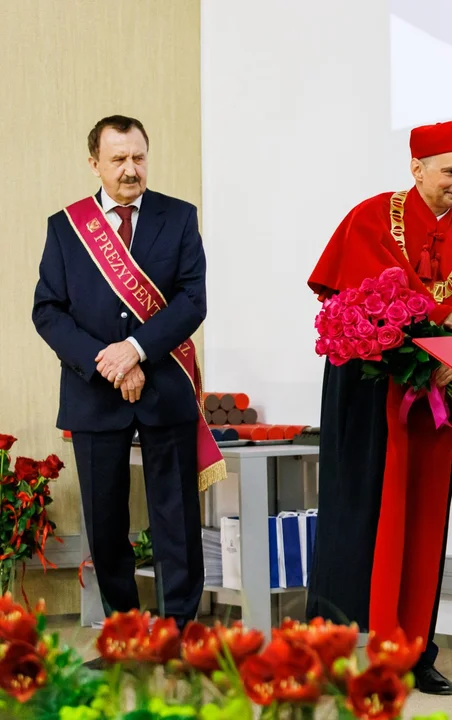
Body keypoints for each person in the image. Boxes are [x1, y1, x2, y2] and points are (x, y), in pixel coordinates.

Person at [305, 119, 452, 696]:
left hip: (432, 402)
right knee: (358, 516)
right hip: (367, 398)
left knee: (424, 521)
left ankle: (414, 649)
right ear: (417, 168)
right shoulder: (370, 218)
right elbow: (354, 300)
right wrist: (440, 320)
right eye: (450, 171)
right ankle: (341, 648)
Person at [32, 115, 222, 637]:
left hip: (164, 389)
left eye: (138, 156)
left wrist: (136, 350)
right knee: (107, 523)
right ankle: (124, 634)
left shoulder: (178, 217)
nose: (130, 169)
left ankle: (180, 633)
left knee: (176, 521)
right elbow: (47, 311)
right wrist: (107, 362)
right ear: (94, 162)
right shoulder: (66, 226)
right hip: (95, 393)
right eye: (118, 159)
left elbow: (192, 299)